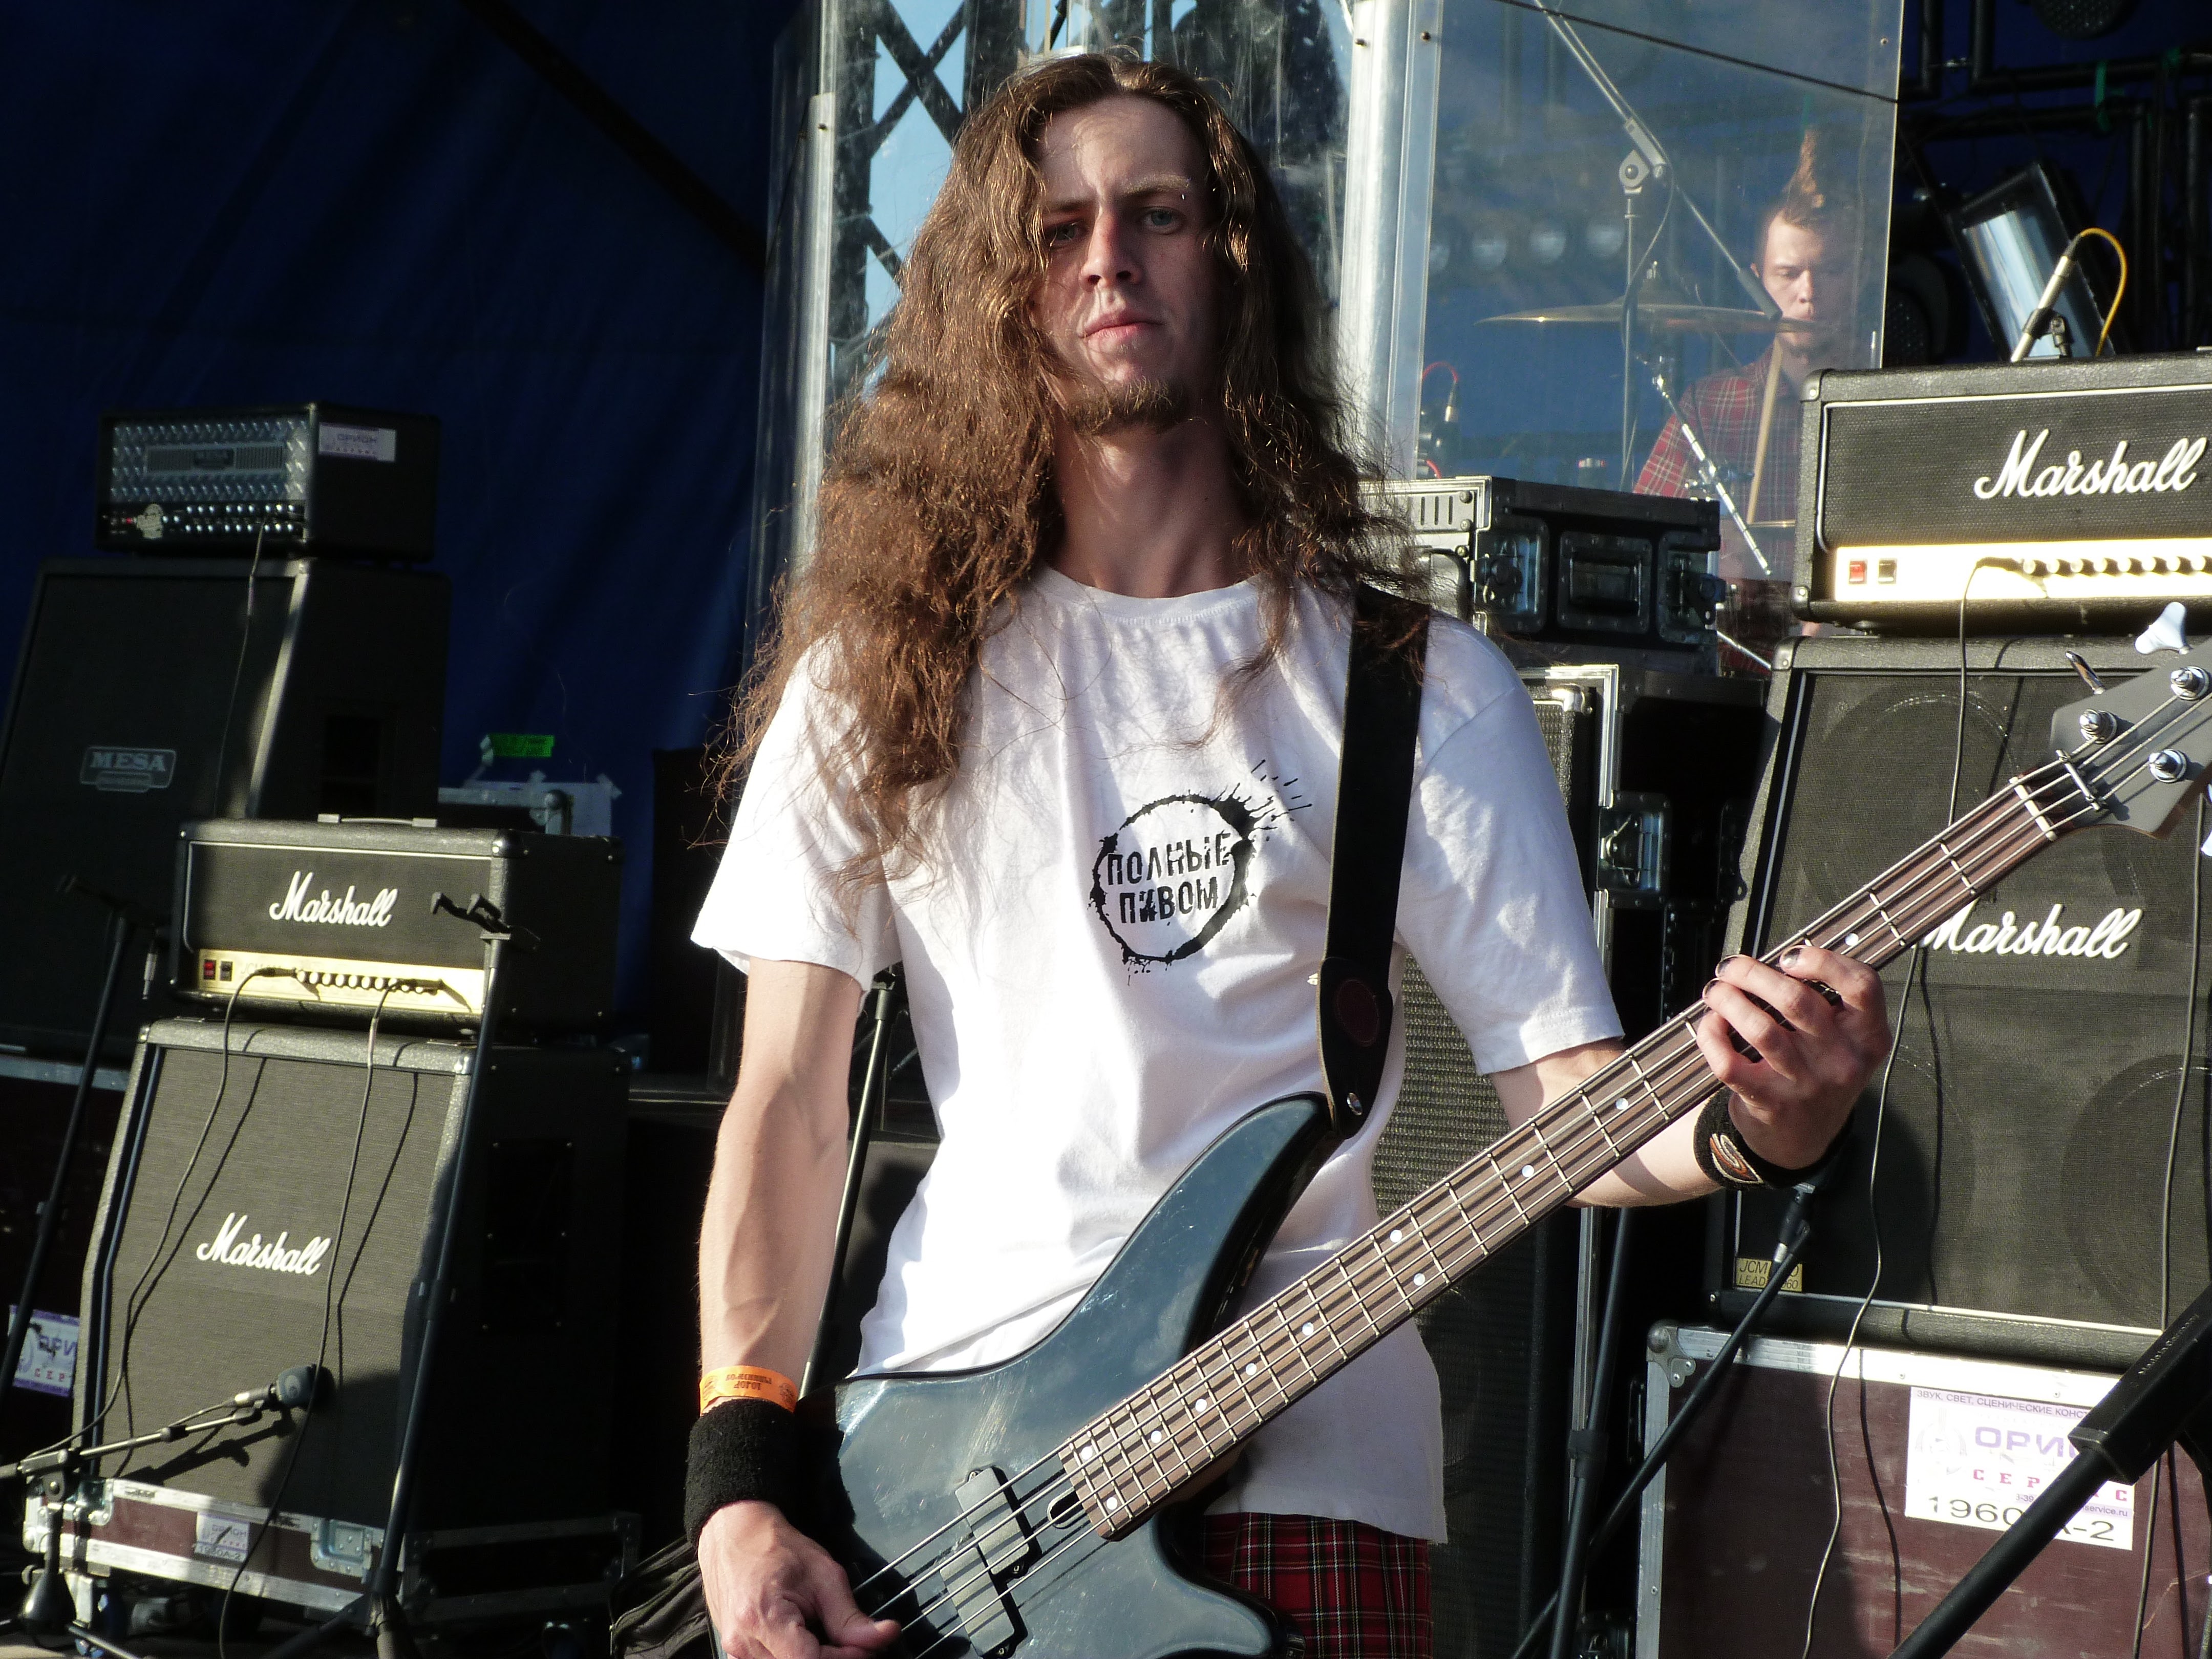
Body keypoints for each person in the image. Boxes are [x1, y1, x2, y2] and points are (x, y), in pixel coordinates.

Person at [689, 53, 1887, 1659]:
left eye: (1158, 214)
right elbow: (786, 1100)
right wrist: (740, 1481)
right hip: (943, 1489)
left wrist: (1762, 1129)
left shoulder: (1416, 689)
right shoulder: (883, 675)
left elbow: (1574, 1113)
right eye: (1056, 229)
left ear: (1235, 261)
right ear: (997, 294)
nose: (1107, 259)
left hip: (1311, 1488)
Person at [1634, 131, 1861, 573]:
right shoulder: (1709, 408)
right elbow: (1644, 548)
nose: (1809, 293)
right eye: (1788, 274)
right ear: (1759, 283)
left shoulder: (1891, 405)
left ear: (1860, 275)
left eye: (1831, 271)